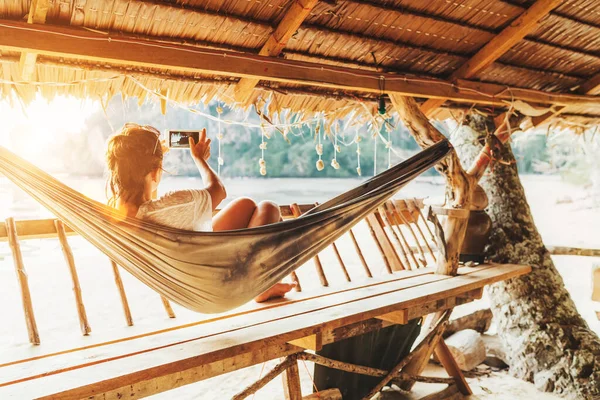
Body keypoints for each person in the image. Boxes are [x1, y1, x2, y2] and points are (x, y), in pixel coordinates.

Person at [105, 123, 295, 303]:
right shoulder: (175, 204)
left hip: (187, 282)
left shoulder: (116, 214)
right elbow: (218, 190)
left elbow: (145, 200)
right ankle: (260, 285)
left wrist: (151, 166)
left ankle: (263, 282)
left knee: (245, 205)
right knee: (269, 208)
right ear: (155, 173)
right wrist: (199, 159)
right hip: (221, 282)